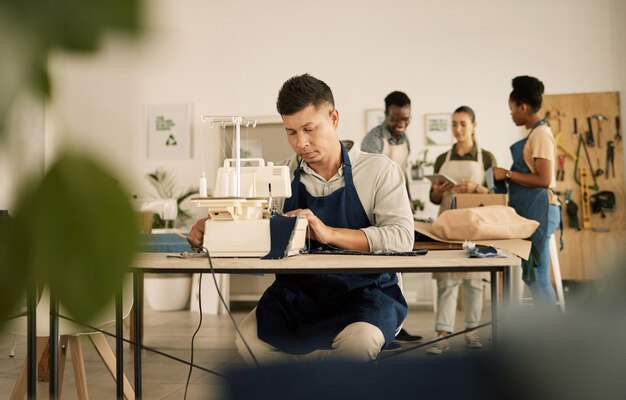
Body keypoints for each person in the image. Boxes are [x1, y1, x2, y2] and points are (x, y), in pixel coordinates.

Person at [189, 74, 414, 364]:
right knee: (250, 341)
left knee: (359, 343)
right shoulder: (277, 177)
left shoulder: (379, 171)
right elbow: (254, 230)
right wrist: (214, 231)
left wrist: (328, 233)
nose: (301, 143)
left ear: (334, 118)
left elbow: (401, 237)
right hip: (298, 295)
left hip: (365, 294)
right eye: (291, 132)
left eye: (309, 129)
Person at [427, 106, 498, 354]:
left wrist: (475, 188)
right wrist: (437, 191)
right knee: (447, 280)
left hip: (475, 224)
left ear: (474, 126)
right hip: (446, 224)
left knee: (474, 280)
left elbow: (496, 196)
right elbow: (434, 198)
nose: (457, 129)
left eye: (463, 124)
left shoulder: (487, 158)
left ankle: (472, 332)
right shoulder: (441, 159)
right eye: (454, 124)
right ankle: (442, 333)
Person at [360, 91, 422, 344]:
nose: (400, 123)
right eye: (395, 118)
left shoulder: (405, 139)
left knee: (400, 270)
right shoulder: (374, 139)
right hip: (376, 212)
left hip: (397, 208)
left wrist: (406, 205)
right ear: (386, 114)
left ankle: (397, 324)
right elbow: (368, 180)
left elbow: (402, 176)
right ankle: (380, 325)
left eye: (405, 119)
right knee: (381, 272)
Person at [492, 76, 560, 306]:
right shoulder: (533, 134)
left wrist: (508, 175)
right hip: (535, 210)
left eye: (512, 109)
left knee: (538, 277)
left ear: (523, 106)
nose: (511, 114)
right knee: (533, 276)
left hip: (542, 209)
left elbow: (544, 178)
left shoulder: (541, 134)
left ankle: (554, 334)